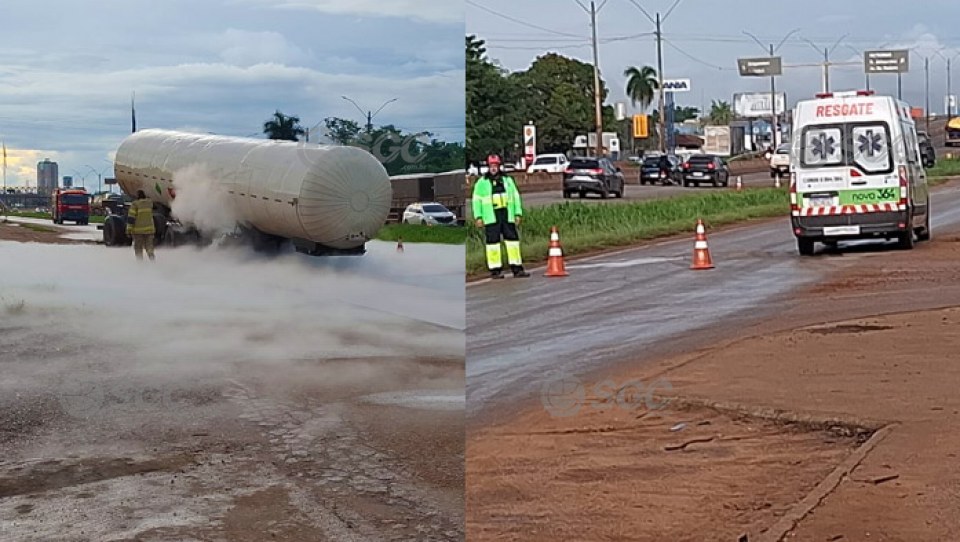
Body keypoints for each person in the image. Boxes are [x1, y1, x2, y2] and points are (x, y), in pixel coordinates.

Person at [472, 154, 529, 279]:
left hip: (507, 215)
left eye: (495, 166)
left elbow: (515, 197)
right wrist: (478, 217)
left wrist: (517, 213)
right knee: (493, 244)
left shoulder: (508, 181)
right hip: (491, 216)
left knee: (513, 242)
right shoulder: (481, 183)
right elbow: (476, 201)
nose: (493, 168)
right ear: (488, 167)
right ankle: (495, 270)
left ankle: (517, 268)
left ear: (499, 166)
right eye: (491, 166)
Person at [126, 190, 156, 261]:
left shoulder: (135, 204)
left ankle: (140, 263)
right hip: (149, 230)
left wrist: (128, 230)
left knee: (138, 248)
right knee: (149, 247)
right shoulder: (149, 203)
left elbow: (131, 218)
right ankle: (152, 260)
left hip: (138, 231)